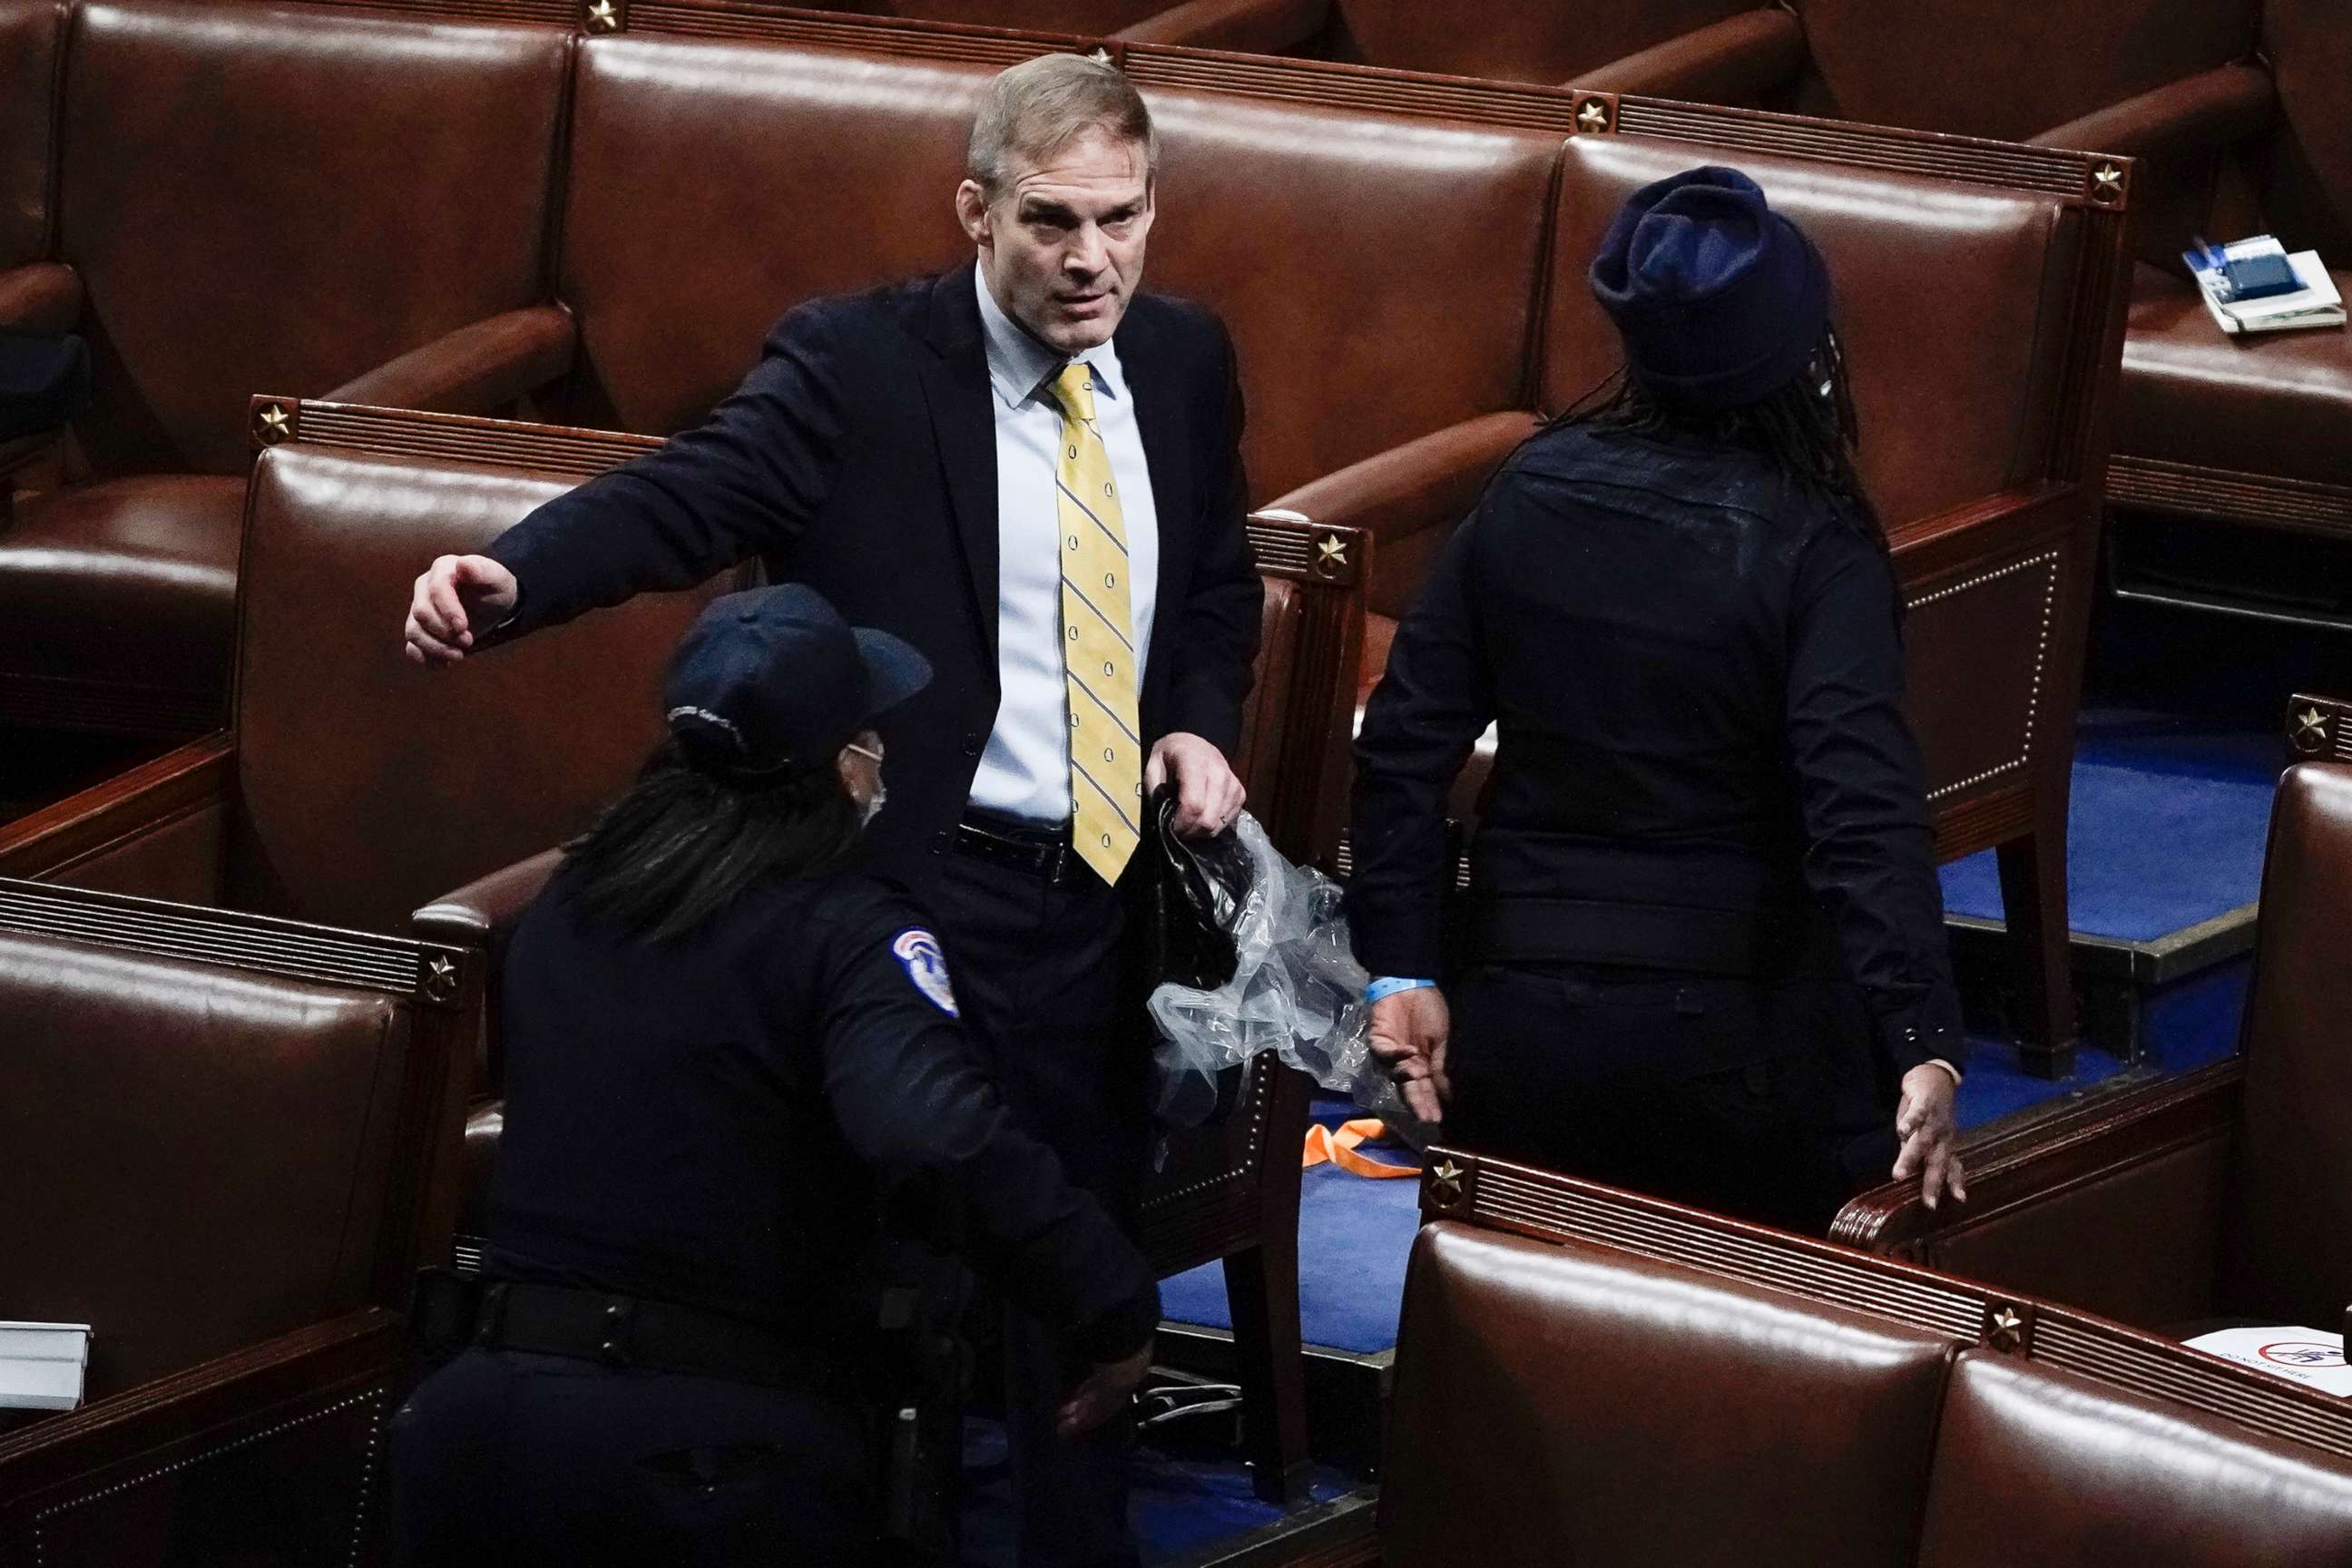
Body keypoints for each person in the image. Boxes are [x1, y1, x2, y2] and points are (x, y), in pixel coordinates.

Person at [399, 53, 1259, 1567]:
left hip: (1100, 906)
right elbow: (693, 495)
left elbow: (1212, 588)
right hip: (912, 898)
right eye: (1052, 221)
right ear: (973, 210)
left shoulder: (1182, 362)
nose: (1090, 259)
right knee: (881, 1280)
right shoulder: (858, 367)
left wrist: (1195, 719)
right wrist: (517, 574)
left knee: (1078, 1282)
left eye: (1121, 220)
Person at [387, 584, 1161, 1566]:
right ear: (845, 769)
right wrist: (1110, 1303)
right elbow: (931, 1132)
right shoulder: (844, 931)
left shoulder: (565, 907)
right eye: (872, 736)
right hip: (709, 1465)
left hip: (478, 1429)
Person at [1346, 166, 1967, 1235]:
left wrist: (1400, 968)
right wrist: (1925, 1040)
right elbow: (1859, 812)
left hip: (1516, 1033)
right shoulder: (1820, 545)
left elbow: (1400, 747)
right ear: (1804, 359)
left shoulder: (1529, 488)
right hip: (1738, 1055)